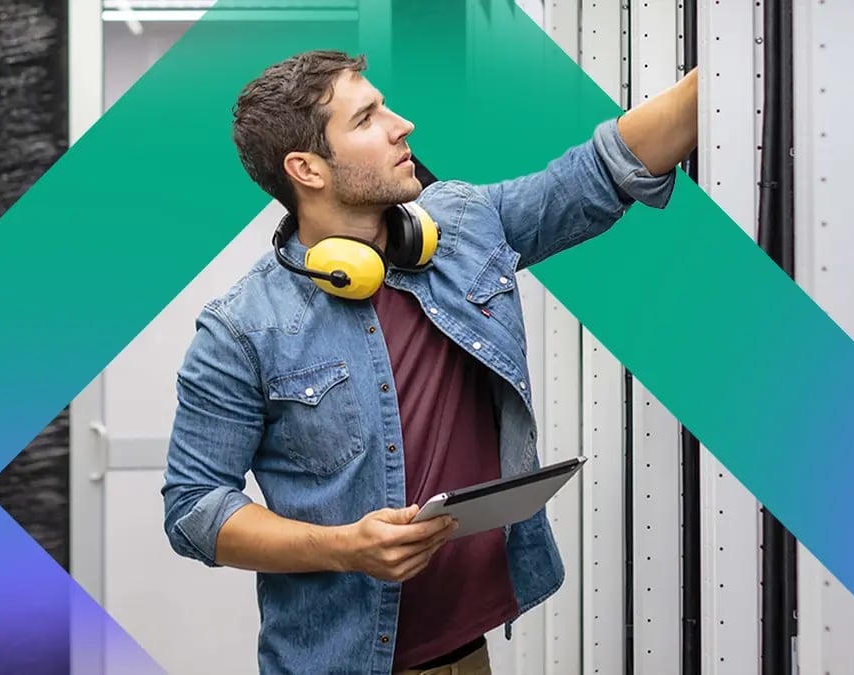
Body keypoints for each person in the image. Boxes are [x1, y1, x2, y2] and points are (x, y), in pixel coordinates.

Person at [161, 49, 698, 674]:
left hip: (467, 658)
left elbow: (599, 172)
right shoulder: (240, 328)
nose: (401, 124)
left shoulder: (463, 225)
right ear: (306, 168)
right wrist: (345, 549)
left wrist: (717, 71)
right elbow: (194, 509)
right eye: (366, 119)